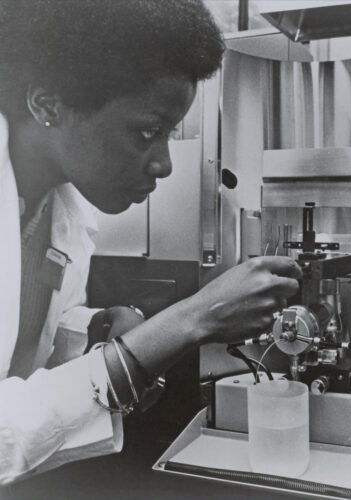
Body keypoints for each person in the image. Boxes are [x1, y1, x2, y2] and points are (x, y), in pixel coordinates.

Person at [0, 0, 301, 484]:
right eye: (146, 131)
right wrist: (188, 321)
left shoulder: (58, 207)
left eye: (169, 133)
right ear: (48, 106)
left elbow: (27, 344)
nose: (164, 164)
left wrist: (93, 329)